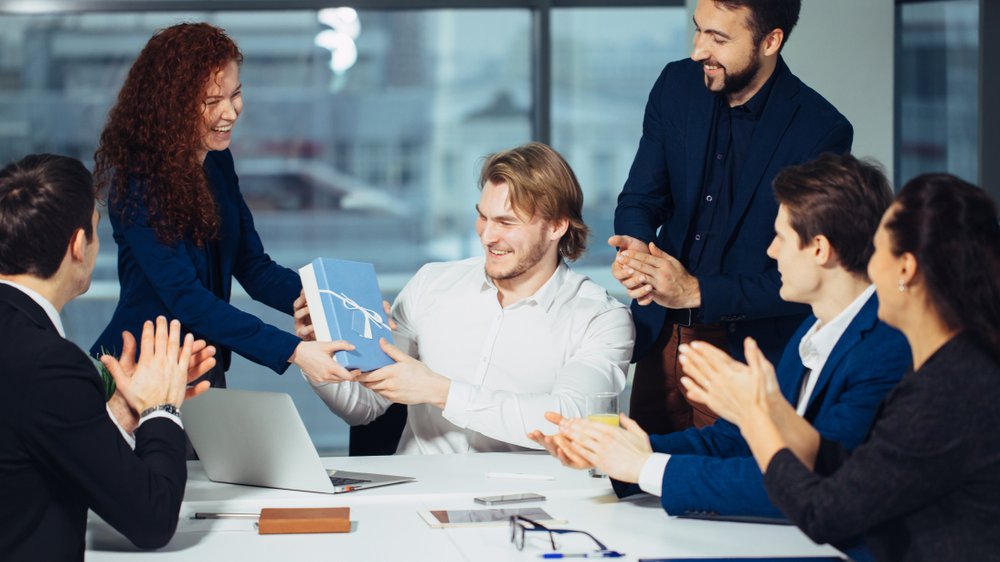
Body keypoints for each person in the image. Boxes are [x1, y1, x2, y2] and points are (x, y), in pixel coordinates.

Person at [531, 154, 909, 537]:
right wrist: (618, 450)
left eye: (780, 237)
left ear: (819, 249)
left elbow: (810, 479)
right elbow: (738, 439)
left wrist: (645, 467)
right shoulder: (815, 326)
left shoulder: (886, 350)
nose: (771, 252)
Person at [679, 174, 1000, 561]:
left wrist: (754, 416)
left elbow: (825, 512)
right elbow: (854, 471)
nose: (867, 264)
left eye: (877, 248)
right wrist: (767, 409)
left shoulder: (948, 391)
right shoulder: (956, 368)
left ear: (906, 270)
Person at [612, 0, 853, 434]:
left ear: (770, 41)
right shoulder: (675, 84)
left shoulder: (821, 131)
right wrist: (637, 250)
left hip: (749, 355)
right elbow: (641, 198)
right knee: (639, 481)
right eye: (699, 30)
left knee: (729, 488)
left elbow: (809, 277)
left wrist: (696, 291)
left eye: (718, 38)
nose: (698, 51)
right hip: (660, 339)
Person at [299, 143, 635, 453]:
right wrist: (323, 354)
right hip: (417, 496)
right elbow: (363, 408)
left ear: (557, 226)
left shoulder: (600, 318)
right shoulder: (430, 283)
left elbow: (572, 421)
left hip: (533, 502)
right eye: (483, 216)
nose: (487, 235)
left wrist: (441, 392)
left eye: (506, 222)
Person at [90, 23, 349, 389]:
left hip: (201, 365)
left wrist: (339, 305)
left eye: (236, 94)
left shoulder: (216, 162)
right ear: (172, 105)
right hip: (138, 370)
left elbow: (253, 267)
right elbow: (186, 298)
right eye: (212, 102)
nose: (231, 112)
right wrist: (294, 350)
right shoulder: (140, 182)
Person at [0, 154, 216, 560]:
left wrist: (123, 409)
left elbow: (33, 456)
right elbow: (151, 520)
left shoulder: (26, 351)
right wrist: (161, 408)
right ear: (79, 245)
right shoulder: (49, 363)